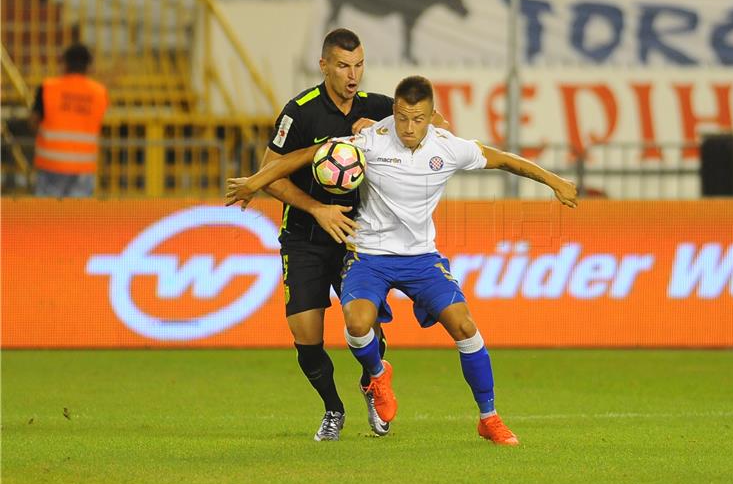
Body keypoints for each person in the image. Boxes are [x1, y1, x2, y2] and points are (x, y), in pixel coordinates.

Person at [225, 75, 578, 445]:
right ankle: (378, 375)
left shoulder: (448, 147)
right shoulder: (369, 140)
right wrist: (255, 181)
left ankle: (488, 418)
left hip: (422, 258)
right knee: (357, 322)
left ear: (432, 116)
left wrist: (555, 181)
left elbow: (505, 160)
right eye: (404, 118)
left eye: (419, 119)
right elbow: (306, 155)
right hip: (370, 256)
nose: (409, 128)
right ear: (394, 111)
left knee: (465, 326)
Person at [248, 29, 447, 441]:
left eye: (358, 65)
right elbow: (268, 176)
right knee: (305, 334)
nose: (352, 75)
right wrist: (318, 209)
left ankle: (373, 387)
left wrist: (383, 127)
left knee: (366, 324)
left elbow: (437, 125)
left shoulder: (378, 108)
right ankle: (333, 409)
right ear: (324, 66)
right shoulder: (299, 112)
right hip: (304, 235)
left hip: (359, 237)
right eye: (343, 65)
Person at [29, 43, 108, 197]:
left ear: (64, 63)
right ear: (88, 66)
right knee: (76, 218)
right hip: (83, 168)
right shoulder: (99, 93)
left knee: (46, 217)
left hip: (50, 165)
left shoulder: (48, 88)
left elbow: (33, 121)